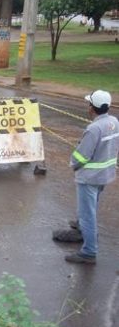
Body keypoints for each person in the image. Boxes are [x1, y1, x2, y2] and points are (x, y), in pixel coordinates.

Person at [52, 90, 119, 264]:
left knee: (88, 214)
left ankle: (89, 251)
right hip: (105, 175)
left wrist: (73, 164)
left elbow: (82, 156)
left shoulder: (93, 128)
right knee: (91, 208)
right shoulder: (114, 122)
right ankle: (82, 227)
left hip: (89, 177)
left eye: (89, 104)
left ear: (92, 108)